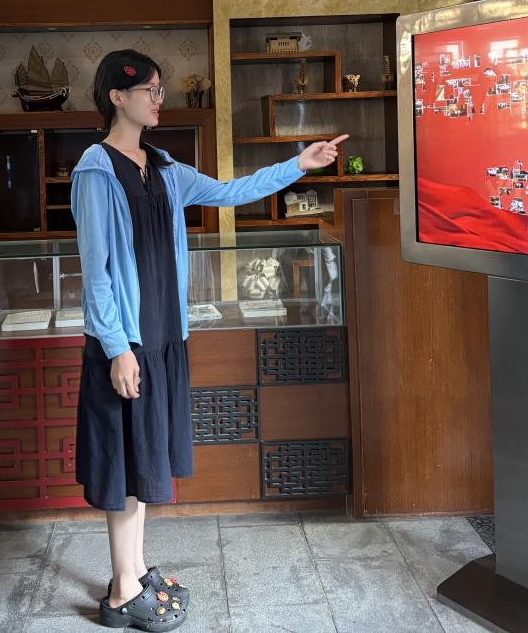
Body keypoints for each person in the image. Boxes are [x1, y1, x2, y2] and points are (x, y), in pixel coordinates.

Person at [73, 49, 345, 630]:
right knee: (125, 467)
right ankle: (121, 592)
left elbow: (230, 191)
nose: (159, 98)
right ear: (116, 97)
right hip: (126, 345)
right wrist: (117, 349)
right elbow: (95, 272)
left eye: (160, 88)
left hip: (164, 340)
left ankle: (134, 571)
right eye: (148, 89)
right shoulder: (95, 170)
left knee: (145, 462)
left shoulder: (165, 168)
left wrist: (299, 164)